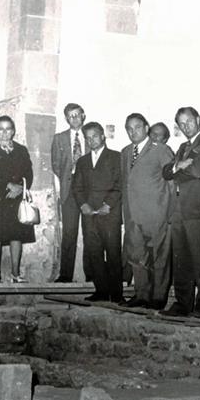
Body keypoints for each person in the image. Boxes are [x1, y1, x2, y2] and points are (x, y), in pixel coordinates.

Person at [161, 107, 200, 318]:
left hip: (197, 207)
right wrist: (179, 165)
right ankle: (183, 303)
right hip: (178, 209)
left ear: (198, 119)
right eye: (182, 124)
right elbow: (166, 172)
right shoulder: (184, 146)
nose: (186, 127)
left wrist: (178, 169)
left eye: (189, 122)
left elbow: (198, 170)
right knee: (181, 258)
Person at [121, 113, 173, 309]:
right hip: (133, 214)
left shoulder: (161, 150)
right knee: (136, 254)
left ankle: (158, 297)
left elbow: (171, 182)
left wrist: (168, 212)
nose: (133, 132)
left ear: (146, 127)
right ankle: (141, 295)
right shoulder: (125, 152)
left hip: (156, 212)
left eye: (137, 127)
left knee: (160, 255)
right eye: (129, 129)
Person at [71, 122, 124, 302]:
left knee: (113, 253)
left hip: (110, 213)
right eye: (88, 138)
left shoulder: (116, 157)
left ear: (103, 136)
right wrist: (82, 205)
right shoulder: (82, 161)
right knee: (94, 253)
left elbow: (120, 184)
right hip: (89, 214)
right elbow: (76, 187)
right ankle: (101, 291)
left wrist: (108, 204)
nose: (91, 140)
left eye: (94, 136)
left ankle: (116, 294)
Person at [0, 115, 35, 283]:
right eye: (1, 129)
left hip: (16, 198)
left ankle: (15, 273)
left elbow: (29, 173)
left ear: (13, 131)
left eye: (8, 129)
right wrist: (9, 185)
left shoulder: (21, 150)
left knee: (15, 234)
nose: (4, 132)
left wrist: (20, 187)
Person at [51, 103, 91, 282]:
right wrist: (69, 179)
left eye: (77, 115)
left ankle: (92, 274)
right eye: (70, 116)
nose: (74, 119)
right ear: (66, 119)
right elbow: (56, 164)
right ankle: (65, 274)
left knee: (91, 233)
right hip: (69, 192)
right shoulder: (59, 138)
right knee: (69, 233)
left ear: (83, 115)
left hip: (90, 192)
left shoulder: (91, 135)